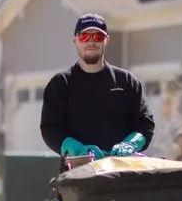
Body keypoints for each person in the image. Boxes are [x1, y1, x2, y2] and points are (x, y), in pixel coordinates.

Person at [40, 13, 154, 161]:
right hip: (77, 175)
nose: (91, 42)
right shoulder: (61, 83)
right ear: (75, 41)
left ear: (106, 40)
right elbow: (50, 128)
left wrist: (131, 143)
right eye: (85, 37)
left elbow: (145, 123)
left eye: (98, 37)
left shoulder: (127, 81)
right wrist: (78, 149)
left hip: (121, 174)